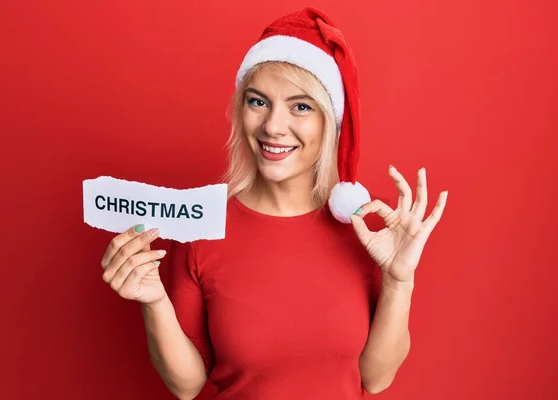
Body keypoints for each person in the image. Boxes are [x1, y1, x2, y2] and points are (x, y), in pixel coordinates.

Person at [99, 7, 448, 400]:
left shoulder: (367, 227)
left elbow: (377, 378)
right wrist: (154, 299)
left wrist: (400, 281)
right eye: (257, 102)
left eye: (300, 106)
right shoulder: (204, 226)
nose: (273, 126)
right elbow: (187, 385)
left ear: (328, 122)